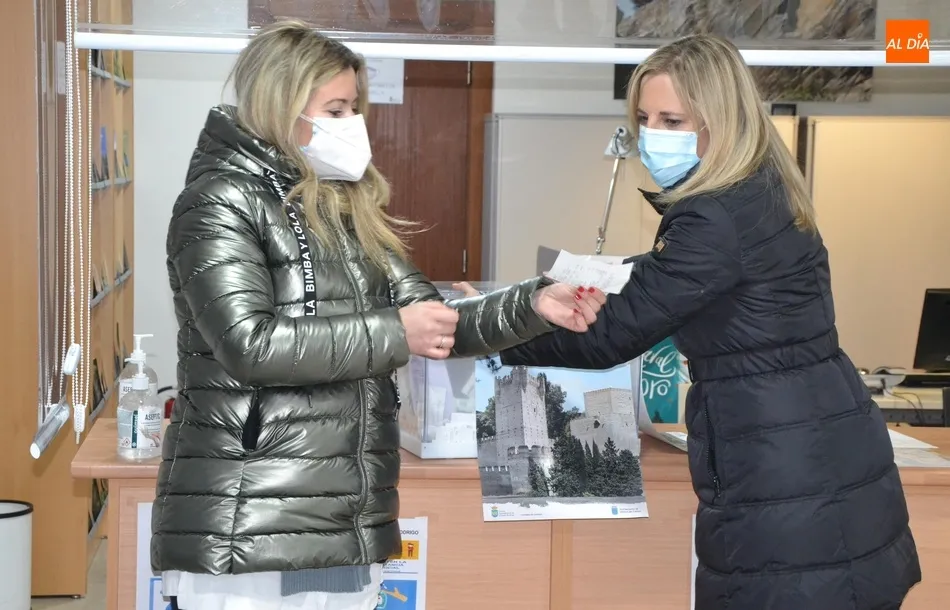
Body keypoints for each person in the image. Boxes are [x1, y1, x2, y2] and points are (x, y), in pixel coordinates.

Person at [151, 20, 605, 610]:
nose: (351, 125)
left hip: (346, 513)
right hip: (251, 523)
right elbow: (249, 345)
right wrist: (396, 331)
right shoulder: (218, 201)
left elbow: (431, 321)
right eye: (334, 108)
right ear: (279, 104)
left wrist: (533, 303)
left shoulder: (343, 202)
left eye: (353, 107)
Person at [497, 35, 921, 610]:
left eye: (673, 119)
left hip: (781, 472)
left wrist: (494, 329)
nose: (652, 134)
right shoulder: (763, 185)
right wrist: (542, 293)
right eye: (644, 117)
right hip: (822, 454)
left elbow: (612, 333)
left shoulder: (713, 212)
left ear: (722, 121)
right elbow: (666, 276)